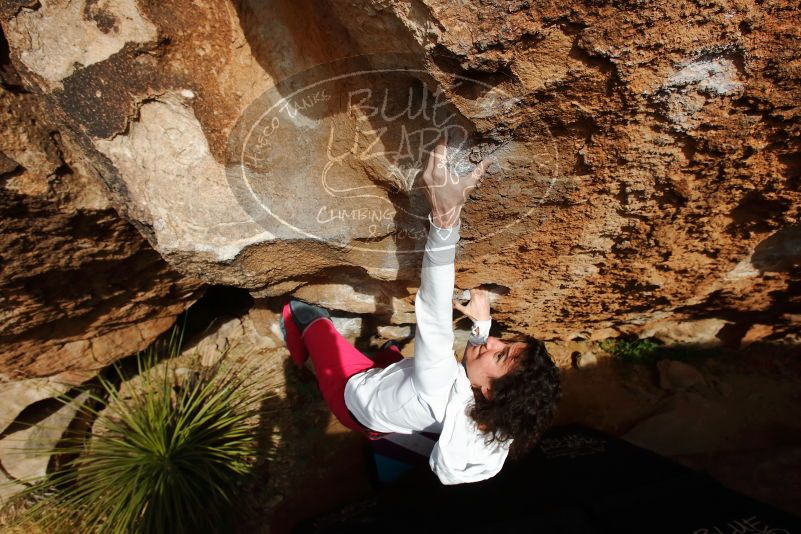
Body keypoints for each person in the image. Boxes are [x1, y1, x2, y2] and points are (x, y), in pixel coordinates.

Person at [281, 131, 561, 484]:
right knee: (393, 361)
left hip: (351, 395)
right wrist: (482, 329)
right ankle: (388, 353)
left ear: (490, 392)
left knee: (313, 320)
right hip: (386, 415)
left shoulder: (437, 385)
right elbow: (465, 374)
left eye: (500, 355)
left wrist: (446, 219)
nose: (494, 343)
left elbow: (433, 308)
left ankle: (295, 335)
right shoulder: (484, 414)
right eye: (505, 344)